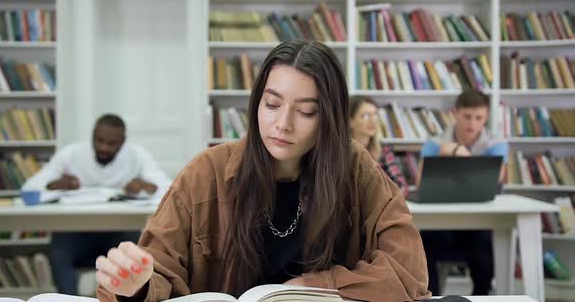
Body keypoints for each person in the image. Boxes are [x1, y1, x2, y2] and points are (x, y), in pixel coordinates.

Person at [95, 40, 430, 302]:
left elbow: (408, 271)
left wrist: (317, 288)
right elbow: (156, 270)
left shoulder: (356, 168)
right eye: (271, 104)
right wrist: (134, 283)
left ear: (329, 118)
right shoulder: (205, 173)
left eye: (306, 111)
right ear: (256, 103)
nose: (282, 124)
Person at [22, 114, 171, 295]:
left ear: (123, 142)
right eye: (99, 141)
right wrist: (55, 184)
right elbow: (29, 188)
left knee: (138, 252)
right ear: (92, 135)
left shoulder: (137, 155)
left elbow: (167, 189)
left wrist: (146, 186)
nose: (104, 147)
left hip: (120, 233)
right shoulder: (71, 153)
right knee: (58, 252)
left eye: (111, 143)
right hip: (76, 233)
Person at [419, 89, 509, 296]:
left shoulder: (496, 144)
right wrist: (449, 150)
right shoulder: (435, 142)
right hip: (440, 223)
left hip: (478, 224)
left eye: (479, 118)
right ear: (455, 113)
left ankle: (481, 297)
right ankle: (433, 298)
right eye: (467, 116)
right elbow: (420, 182)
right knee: (422, 247)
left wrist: (458, 152)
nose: (472, 123)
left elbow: (499, 178)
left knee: (483, 252)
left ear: (486, 117)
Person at [350, 96, 409, 197]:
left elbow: (401, 187)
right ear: (350, 121)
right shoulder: (339, 152)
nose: (373, 121)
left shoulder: (383, 151)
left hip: (379, 208)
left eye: (375, 115)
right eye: (365, 116)